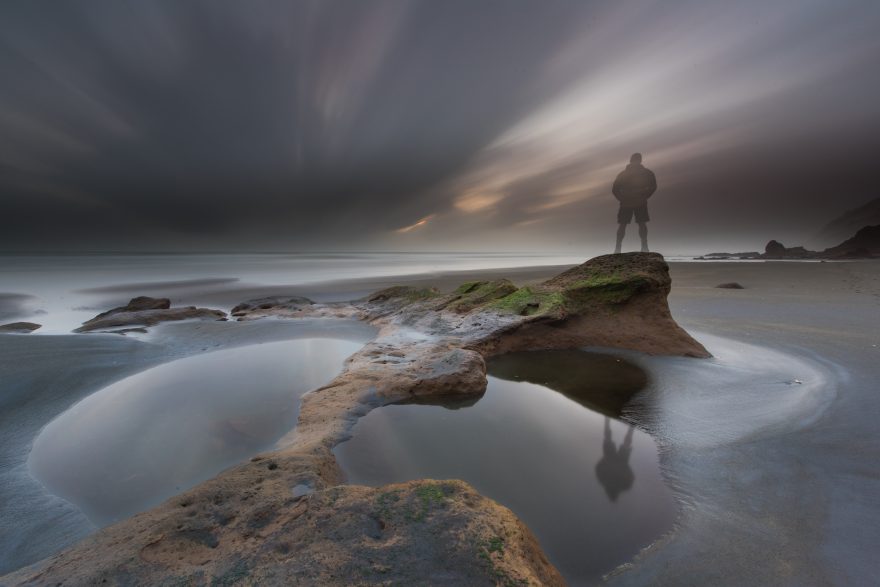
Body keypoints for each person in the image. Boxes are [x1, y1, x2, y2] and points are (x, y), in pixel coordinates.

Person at [612, 152, 656, 254]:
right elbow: (615, 189)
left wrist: (644, 196)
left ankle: (643, 247)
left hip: (635, 202)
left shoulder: (645, 173)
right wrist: (622, 198)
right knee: (626, 224)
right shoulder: (625, 174)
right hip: (629, 202)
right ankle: (618, 248)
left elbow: (653, 186)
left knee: (639, 224)